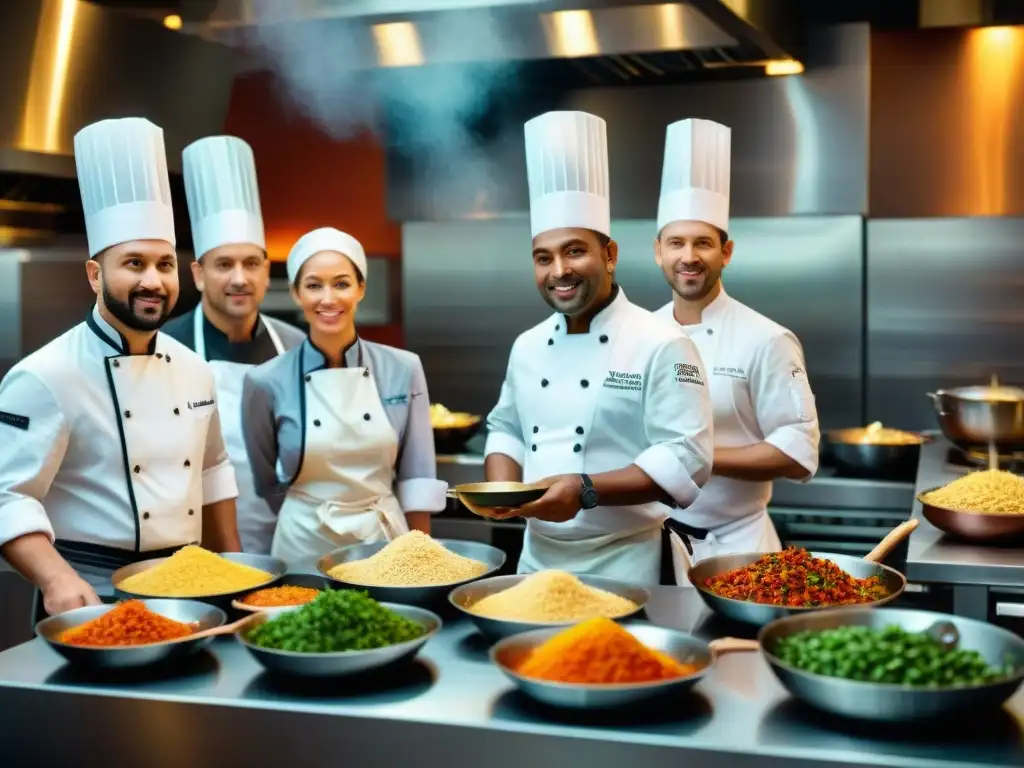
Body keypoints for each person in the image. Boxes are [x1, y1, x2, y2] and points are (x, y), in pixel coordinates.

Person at [0, 117, 240, 619]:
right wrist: (56, 578)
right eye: (134, 263)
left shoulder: (196, 370)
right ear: (95, 274)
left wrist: (235, 568)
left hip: (188, 588)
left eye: (165, 264)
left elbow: (214, 470)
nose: (153, 280)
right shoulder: (45, 375)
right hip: (90, 591)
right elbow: (7, 496)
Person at [481, 110, 715, 586]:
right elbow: (505, 426)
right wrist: (501, 488)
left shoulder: (662, 342)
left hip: (626, 560)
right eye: (543, 258)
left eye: (575, 251)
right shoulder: (527, 346)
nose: (559, 271)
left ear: (609, 255)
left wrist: (586, 490)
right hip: (536, 562)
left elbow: (687, 455)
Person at [653, 118, 820, 575]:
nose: (689, 257)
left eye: (703, 243)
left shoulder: (766, 338)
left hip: (741, 551)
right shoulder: (637, 336)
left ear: (725, 252)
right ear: (658, 251)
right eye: (677, 243)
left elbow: (796, 450)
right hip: (651, 546)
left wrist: (698, 456)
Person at [240, 228, 447, 564]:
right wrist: (305, 508)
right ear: (296, 293)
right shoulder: (264, 380)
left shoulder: (403, 368)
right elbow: (266, 481)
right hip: (301, 543)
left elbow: (418, 476)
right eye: (313, 285)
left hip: (381, 541)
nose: (328, 299)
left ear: (361, 288)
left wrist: (419, 560)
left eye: (341, 283)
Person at [162, 135, 304, 554]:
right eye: (224, 264)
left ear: (266, 271)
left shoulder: (296, 346)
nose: (239, 278)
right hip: (195, 543)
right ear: (199, 274)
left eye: (251, 263)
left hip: (290, 540)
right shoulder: (166, 348)